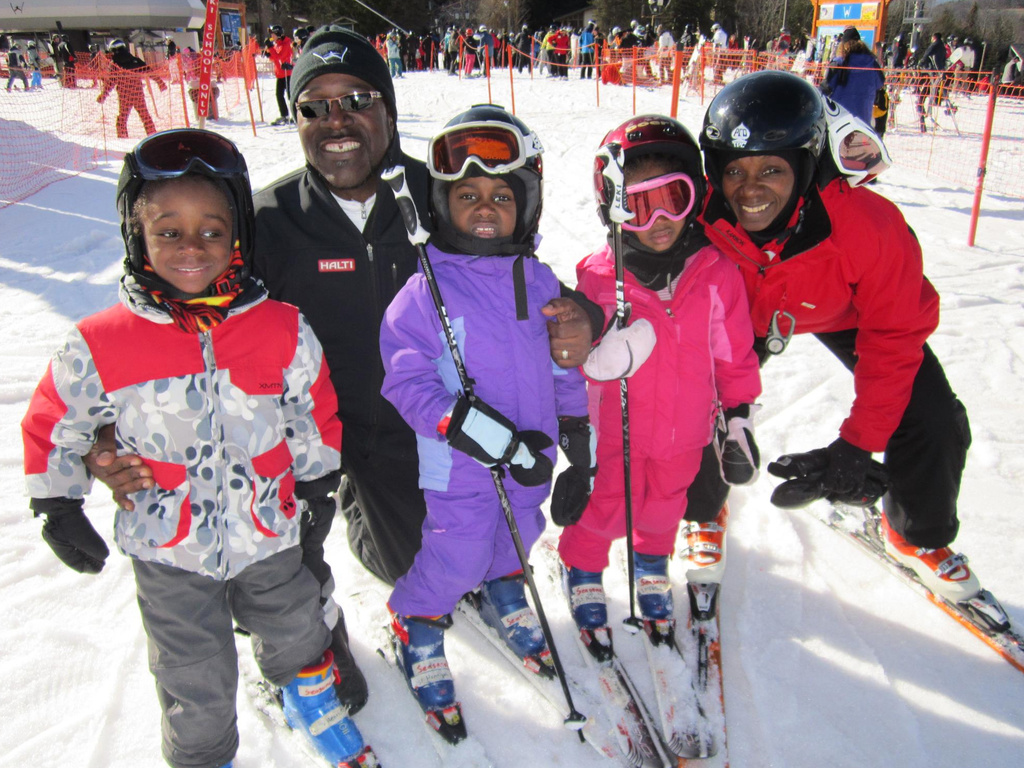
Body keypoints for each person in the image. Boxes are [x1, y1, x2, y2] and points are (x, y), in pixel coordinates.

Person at [83, 24, 600, 714]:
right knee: (361, 553)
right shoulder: (267, 220)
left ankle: (488, 571)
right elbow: (175, 308)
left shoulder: (446, 189)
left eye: (356, 98)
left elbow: (528, 279)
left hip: (449, 428)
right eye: (314, 106)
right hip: (329, 435)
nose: (336, 120)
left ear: (386, 108)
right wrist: (109, 429)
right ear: (295, 118)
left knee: (478, 537)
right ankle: (314, 626)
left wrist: (583, 318)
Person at [21, 129, 373, 768]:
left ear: (237, 233)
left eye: (212, 230)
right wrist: (57, 504)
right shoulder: (101, 342)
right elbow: (55, 421)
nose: (192, 249)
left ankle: (309, 696)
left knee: (297, 626)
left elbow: (313, 412)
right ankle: (203, 754)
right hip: (170, 547)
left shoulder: (281, 327)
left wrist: (319, 485)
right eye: (168, 231)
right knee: (193, 673)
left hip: (268, 530)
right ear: (138, 236)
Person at [696, 70, 982, 604]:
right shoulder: (701, 215)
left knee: (934, 419)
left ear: (807, 167)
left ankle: (914, 534)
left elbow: (894, 341)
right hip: (744, 313)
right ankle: (700, 507)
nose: (750, 189)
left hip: (843, 311)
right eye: (735, 170)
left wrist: (857, 445)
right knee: (695, 397)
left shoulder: (870, 228)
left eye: (773, 169)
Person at [380, 105, 590, 729]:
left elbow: (562, 362)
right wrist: (455, 421)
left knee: (522, 535)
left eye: (501, 194)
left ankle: (506, 589)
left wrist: (576, 429)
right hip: (461, 464)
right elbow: (406, 376)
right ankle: (416, 617)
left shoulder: (539, 277)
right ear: (443, 205)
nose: (484, 207)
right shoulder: (426, 289)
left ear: (526, 204)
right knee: (459, 552)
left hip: (532, 454)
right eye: (467, 194)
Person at [558, 115, 761, 651]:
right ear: (614, 207)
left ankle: (651, 563)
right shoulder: (600, 277)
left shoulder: (716, 272)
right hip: (616, 432)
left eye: (675, 196)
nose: (661, 219)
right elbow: (575, 357)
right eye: (641, 205)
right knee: (605, 504)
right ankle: (581, 565)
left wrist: (738, 417)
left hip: (686, 433)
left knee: (666, 502)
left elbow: (734, 355)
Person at [97, 39, 166, 139]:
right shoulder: (134, 60)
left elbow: (111, 82)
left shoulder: (115, 64)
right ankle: (152, 135)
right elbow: (148, 70)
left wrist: (104, 95)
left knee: (122, 117)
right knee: (144, 115)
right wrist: (160, 82)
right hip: (137, 92)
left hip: (124, 93)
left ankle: (122, 137)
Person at [825, 27, 884, 124]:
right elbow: (880, 83)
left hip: (839, 119)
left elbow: (825, 88)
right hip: (863, 120)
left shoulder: (839, 63)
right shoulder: (872, 64)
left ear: (842, 45)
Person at [264, 25, 294, 125]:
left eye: (273, 33)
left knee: (291, 96)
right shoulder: (277, 44)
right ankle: (284, 115)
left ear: (277, 34)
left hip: (287, 74)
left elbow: (279, 56)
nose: (271, 36)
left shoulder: (285, 44)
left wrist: (270, 47)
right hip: (280, 74)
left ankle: (296, 115)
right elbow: (275, 58)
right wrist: (269, 54)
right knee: (279, 95)